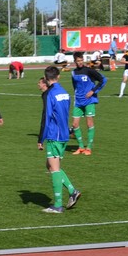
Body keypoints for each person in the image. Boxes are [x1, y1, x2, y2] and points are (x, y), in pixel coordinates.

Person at [38, 66, 80, 214]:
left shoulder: (50, 94)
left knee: (54, 169)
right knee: (49, 165)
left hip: (54, 135)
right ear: (59, 76)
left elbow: (47, 116)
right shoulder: (65, 93)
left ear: (46, 78)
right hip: (64, 134)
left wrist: (41, 138)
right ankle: (72, 191)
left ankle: (57, 205)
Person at [70, 52, 107, 156]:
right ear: (75, 61)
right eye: (78, 61)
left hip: (89, 101)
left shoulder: (89, 71)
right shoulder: (73, 73)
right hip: (78, 102)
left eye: (81, 60)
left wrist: (93, 91)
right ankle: (81, 147)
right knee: (74, 124)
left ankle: (89, 148)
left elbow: (103, 80)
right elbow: (75, 86)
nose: (80, 62)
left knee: (89, 123)